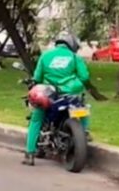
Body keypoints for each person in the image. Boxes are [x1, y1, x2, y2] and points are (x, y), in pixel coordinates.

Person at [22, 33, 91, 166]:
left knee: (36, 119)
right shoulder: (74, 57)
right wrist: (73, 86)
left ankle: (29, 154)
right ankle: (85, 132)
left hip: (50, 94)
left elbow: (37, 78)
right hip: (70, 94)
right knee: (82, 107)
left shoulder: (45, 56)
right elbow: (84, 77)